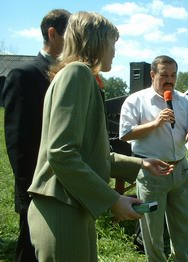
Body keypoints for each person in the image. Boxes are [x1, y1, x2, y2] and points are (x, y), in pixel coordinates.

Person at [26, 12, 172, 262]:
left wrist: (141, 163)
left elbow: (88, 153)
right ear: (96, 42)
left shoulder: (77, 75)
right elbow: (62, 153)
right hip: (62, 209)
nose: (115, 52)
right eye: (113, 44)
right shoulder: (78, 74)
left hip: (71, 205)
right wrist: (112, 200)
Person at [2, 9, 71, 262]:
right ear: (53, 34)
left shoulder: (72, 75)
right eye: (71, 35)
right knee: (30, 251)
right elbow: (18, 142)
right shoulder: (24, 75)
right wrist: (30, 193)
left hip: (67, 187)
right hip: (37, 188)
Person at [119, 55, 188, 261]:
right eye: (164, 75)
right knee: (152, 230)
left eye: (173, 75)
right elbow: (125, 134)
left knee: (183, 227)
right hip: (151, 173)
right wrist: (155, 124)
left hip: (180, 170)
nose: (170, 80)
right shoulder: (136, 100)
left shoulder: (184, 100)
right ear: (152, 74)